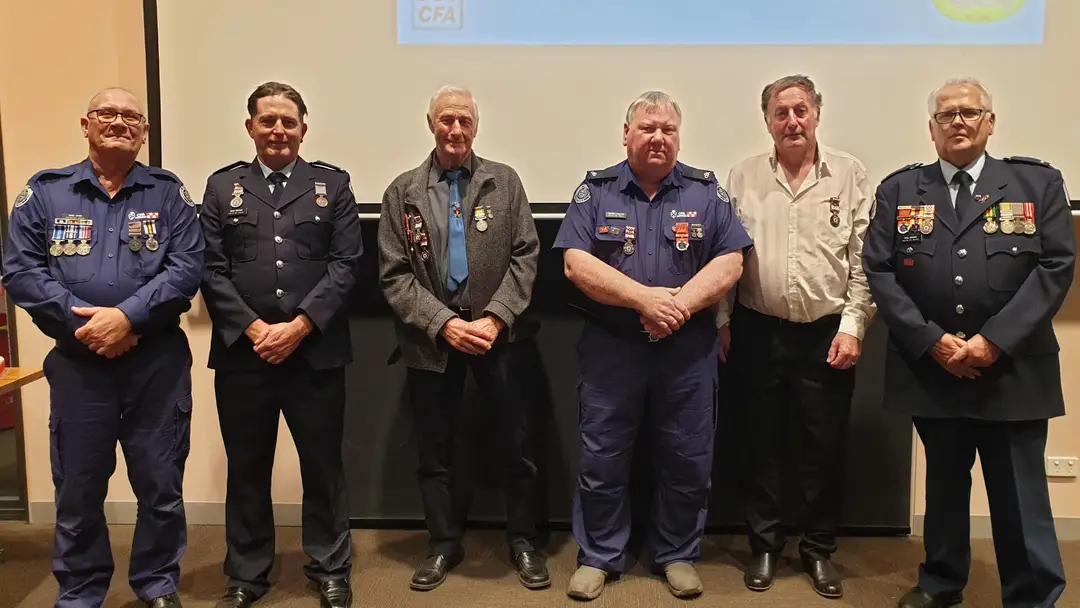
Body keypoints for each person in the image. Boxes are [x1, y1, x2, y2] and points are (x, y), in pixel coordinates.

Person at [863, 77, 1072, 608]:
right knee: (944, 487)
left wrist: (993, 341)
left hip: (1013, 370)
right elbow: (879, 271)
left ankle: (1032, 595)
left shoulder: (1036, 184)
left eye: (970, 113)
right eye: (946, 115)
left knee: (1020, 495)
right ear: (931, 128)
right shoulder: (900, 190)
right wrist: (932, 341)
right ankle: (941, 581)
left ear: (990, 123)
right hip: (933, 369)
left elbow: (1055, 266)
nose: (958, 121)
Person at [2, 88, 204, 608]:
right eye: (107, 114)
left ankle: (157, 585)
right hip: (79, 366)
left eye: (131, 116)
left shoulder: (168, 193)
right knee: (79, 487)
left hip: (156, 365)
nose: (119, 122)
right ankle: (80, 591)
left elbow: (187, 268)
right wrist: (88, 326)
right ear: (86, 124)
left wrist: (128, 318)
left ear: (145, 131)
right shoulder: (46, 192)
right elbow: (21, 271)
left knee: (161, 485)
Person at [554, 91, 751, 601]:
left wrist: (677, 307)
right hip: (612, 350)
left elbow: (731, 261)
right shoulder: (596, 192)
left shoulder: (706, 193)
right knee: (602, 458)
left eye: (668, 129)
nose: (658, 137)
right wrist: (644, 300)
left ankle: (678, 554)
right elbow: (575, 263)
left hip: (686, 352)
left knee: (687, 458)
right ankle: (599, 556)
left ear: (679, 137)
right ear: (627, 134)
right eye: (647, 128)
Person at [377, 85, 547, 592]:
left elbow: (526, 256)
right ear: (431, 123)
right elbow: (394, 275)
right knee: (435, 452)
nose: (455, 129)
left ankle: (524, 541)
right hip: (432, 340)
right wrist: (444, 324)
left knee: (518, 445)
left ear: (476, 125)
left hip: (499, 337)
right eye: (446, 120)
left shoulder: (504, 182)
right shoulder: (402, 192)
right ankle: (443, 544)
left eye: (464, 120)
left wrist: (495, 318)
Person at [199, 82, 363, 608]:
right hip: (244, 356)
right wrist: (254, 329)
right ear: (250, 127)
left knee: (323, 465)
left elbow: (346, 265)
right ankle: (246, 575)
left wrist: (298, 327)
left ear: (303, 129)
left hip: (314, 353)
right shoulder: (222, 188)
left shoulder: (332, 185)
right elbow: (211, 269)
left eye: (288, 122)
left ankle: (330, 567)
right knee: (247, 467)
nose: (278, 130)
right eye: (267, 120)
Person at [718, 74, 876, 599]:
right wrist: (721, 322)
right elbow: (725, 257)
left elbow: (864, 262)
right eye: (781, 113)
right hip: (757, 330)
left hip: (826, 334)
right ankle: (764, 546)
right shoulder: (742, 176)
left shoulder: (849, 174)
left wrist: (853, 326)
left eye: (800, 111)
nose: (792, 122)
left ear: (816, 115)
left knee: (822, 448)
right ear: (767, 121)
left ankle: (818, 549)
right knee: (758, 443)